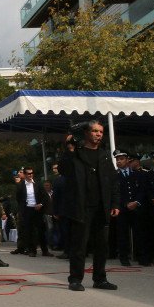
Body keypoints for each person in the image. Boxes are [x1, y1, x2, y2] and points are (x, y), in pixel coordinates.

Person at [58, 120, 120, 291]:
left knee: (102, 245)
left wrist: (115, 203)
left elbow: (113, 181)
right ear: (86, 133)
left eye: (101, 131)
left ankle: (100, 279)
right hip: (81, 207)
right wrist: (69, 150)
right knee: (79, 245)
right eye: (95, 131)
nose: (98, 134)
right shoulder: (75, 153)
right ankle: (75, 279)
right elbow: (63, 170)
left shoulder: (104, 154)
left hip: (101, 206)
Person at [13, 167, 50, 257]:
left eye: (32, 173)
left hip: (37, 209)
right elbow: (18, 198)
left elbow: (45, 196)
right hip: (27, 210)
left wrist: (40, 204)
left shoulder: (38, 184)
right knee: (29, 230)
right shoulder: (21, 185)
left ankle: (45, 250)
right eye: (28, 173)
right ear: (25, 175)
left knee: (41, 230)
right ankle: (32, 250)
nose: (30, 175)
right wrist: (22, 209)